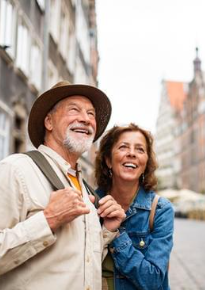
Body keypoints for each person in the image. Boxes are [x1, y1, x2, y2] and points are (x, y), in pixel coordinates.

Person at [0, 80, 125, 290]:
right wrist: (48, 220)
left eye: (91, 114)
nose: (85, 119)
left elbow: (76, 261)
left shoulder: (85, 188)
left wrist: (106, 232)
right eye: (74, 110)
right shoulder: (16, 169)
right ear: (49, 122)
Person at [95, 123, 174, 290]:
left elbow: (153, 281)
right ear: (108, 160)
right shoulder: (91, 203)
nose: (131, 153)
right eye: (123, 147)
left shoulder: (160, 209)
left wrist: (116, 235)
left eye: (140, 149)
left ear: (146, 163)